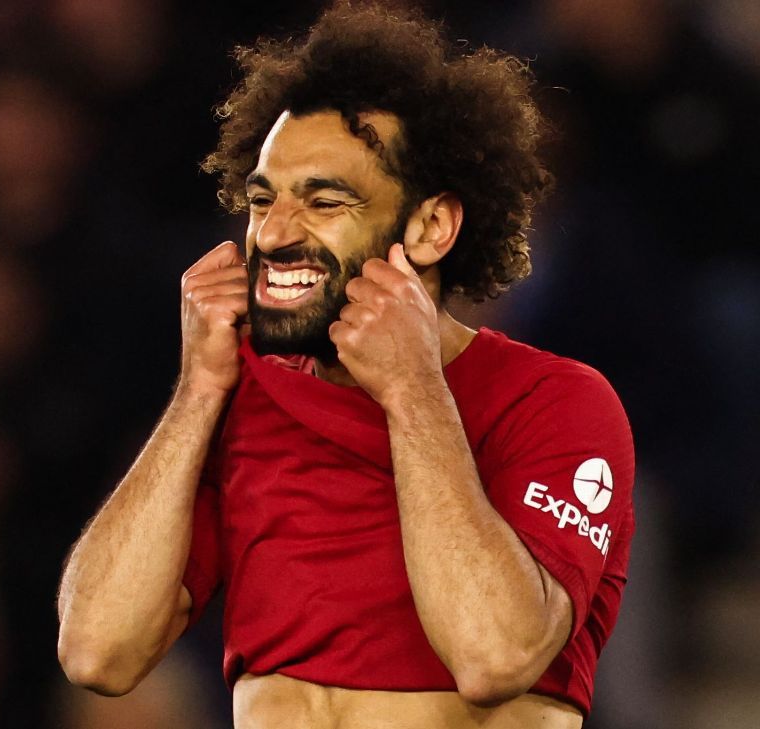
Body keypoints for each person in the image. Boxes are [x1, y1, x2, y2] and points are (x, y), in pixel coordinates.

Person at [56, 3, 635, 728]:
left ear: (431, 226)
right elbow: (95, 651)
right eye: (262, 200)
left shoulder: (555, 403)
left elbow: (496, 654)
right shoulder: (243, 400)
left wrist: (414, 388)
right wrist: (198, 389)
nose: (272, 232)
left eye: (323, 199)